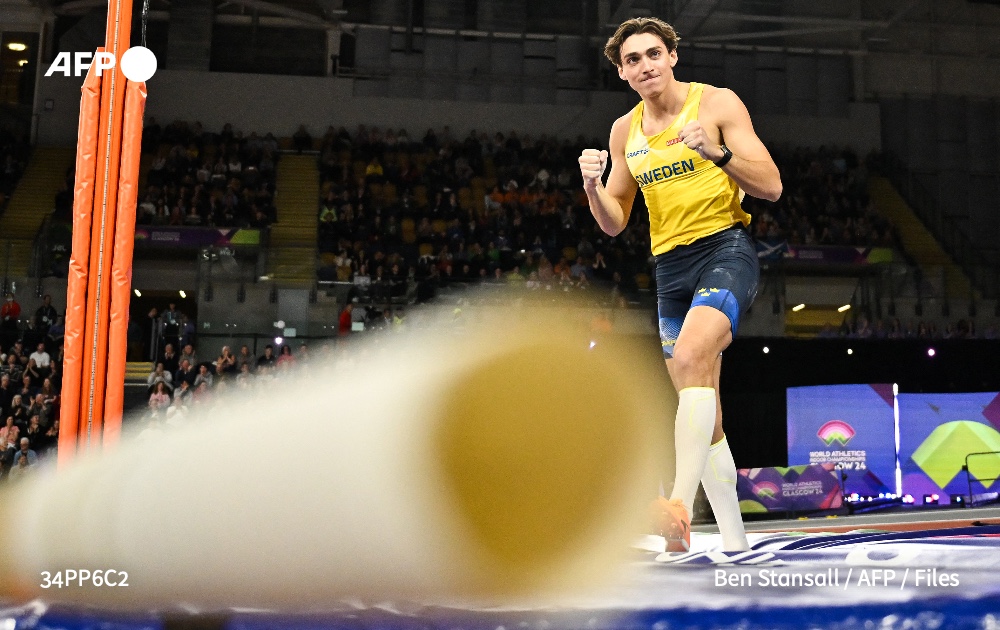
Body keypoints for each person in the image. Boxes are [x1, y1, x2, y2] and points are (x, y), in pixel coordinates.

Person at [579, 17, 781, 553]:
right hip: (670, 269)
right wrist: (593, 186)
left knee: (692, 354)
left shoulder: (716, 105)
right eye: (631, 60)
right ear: (622, 73)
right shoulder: (624, 131)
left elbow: (772, 185)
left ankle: (675, 503)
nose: (644, 66)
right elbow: (615, 220)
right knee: (704, 409)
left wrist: (717, 153)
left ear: (671, 56)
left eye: (652, 54)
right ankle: (735, 543)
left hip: (725, 248)